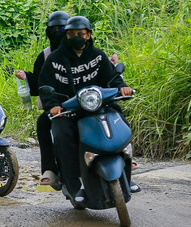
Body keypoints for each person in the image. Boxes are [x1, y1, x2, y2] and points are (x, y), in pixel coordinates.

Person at [39, 15, 133, 205]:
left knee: (120, 120)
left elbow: (111, 78)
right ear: (66, 35)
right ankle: (74, 184)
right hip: (69, 110)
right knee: (62, 135)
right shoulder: (55, 59)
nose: (76, 37)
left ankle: (126, 163)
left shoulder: (98, 56)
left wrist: (122, 86)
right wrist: (53, 106)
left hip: (98, 106)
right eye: (71, 34)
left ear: (88, 35)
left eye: (80, 33)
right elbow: (45, 84)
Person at [14, 11, 69, 186]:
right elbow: (39, 82)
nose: (57, 32)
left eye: (62, 28)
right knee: (43, 123)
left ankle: (121, 156)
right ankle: (50, 169)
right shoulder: (45, 56)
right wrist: (26, 77)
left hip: (83, 103)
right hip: (56, 106)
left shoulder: (81, 50)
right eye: (53, 29)